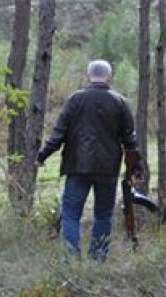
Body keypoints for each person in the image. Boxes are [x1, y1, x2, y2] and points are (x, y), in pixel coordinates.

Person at [37, 59, 142, 261]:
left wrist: (42, 155)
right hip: (108, 168)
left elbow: (58, 134)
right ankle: (98, 260)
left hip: (77, 166)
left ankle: (72, 259)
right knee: (103, 215)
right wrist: (137, 169)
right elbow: (130, 141)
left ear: (88, 76)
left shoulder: (75, 100)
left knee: (71, 215)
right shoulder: (120, 102)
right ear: (109, 77)